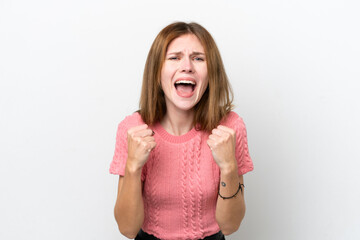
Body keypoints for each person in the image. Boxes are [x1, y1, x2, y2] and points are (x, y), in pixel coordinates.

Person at [109, 22, 254, 240]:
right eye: (174, 57)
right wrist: (132, 166)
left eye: (198, 58)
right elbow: (128, 229)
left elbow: (230, 225)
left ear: (211, 72)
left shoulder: (230, 127)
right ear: (157, 71)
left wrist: (228, 166)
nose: (187, 66)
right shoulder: (133, 129)